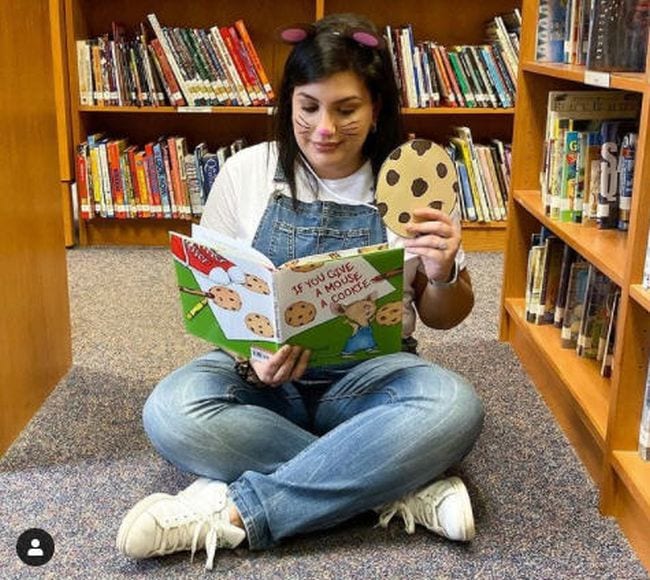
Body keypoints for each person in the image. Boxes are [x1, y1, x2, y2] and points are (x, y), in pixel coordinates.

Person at [116, 13, 484, 570]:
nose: (324, 129)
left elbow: (446, 318)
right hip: (261, 380)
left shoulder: (412, 180)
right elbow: (212, 299)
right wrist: (250, 356)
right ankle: (391, 484)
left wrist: (442, 272)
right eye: (308, 107)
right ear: (288, 102)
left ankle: (238, 510)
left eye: (346, 109)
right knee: (169, 411)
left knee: (454, 406)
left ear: (377, 106)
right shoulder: (245, 173)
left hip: (369, 379)